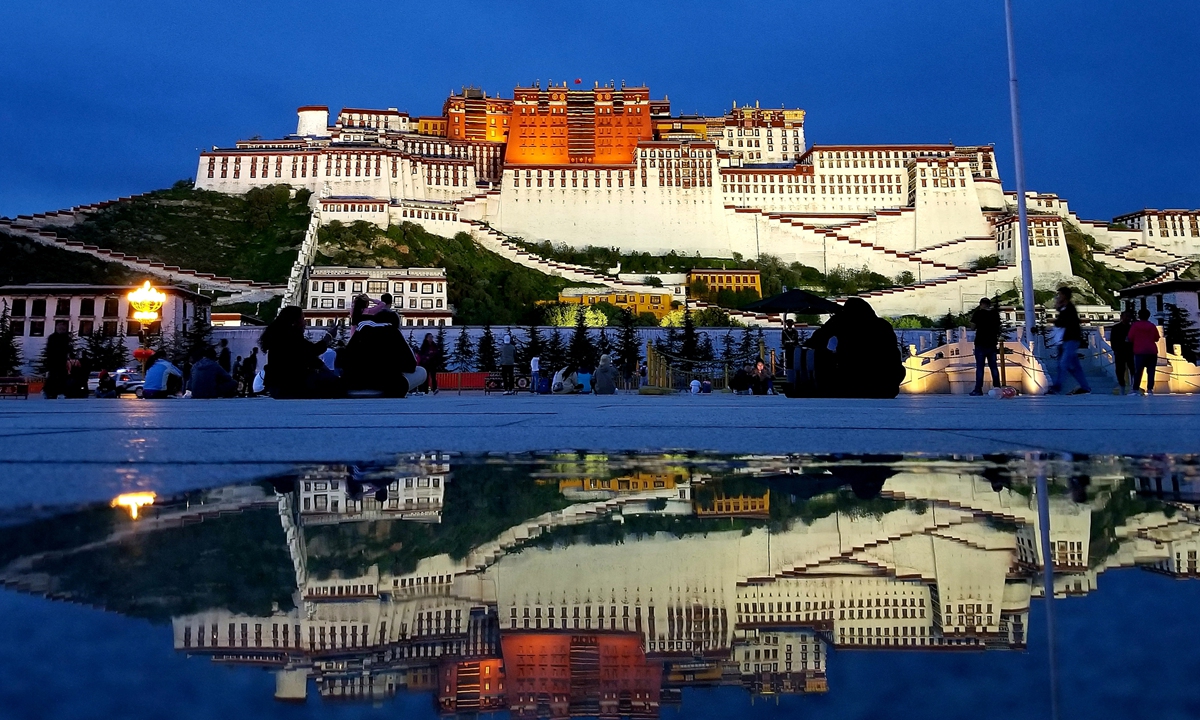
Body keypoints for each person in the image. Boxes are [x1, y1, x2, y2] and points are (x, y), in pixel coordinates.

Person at [806, 297, 905, 398]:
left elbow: (818, 338)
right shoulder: (883, 325)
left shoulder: (843, 321)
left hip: (853, 378)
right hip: (886, 383)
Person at [259, 306, 343, 399]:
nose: (305, 323)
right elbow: (313, 350)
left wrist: (326, 370)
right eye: (302, 319)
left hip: (277, 385)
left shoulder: (280, 337)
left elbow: (308, 357)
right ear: (294, 322)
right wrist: (329, 336)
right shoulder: (290, 338)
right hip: (288, 384)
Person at [337, 311, 425, 397]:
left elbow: (345, 359)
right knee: (421, 371)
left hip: (355, 381)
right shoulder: (393, 331)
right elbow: (411, 364)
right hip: (385, 383)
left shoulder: (361, 328)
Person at [1048, 287, 1090, 395]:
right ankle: (1085, 387)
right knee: (1074, 367)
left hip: (1071, 340)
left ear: (1064, 296)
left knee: (1063, 364)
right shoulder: (1066, 309)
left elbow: (1061, 323)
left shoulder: (1069, 309)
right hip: (1066, 340)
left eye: (1060, 295)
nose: (1058, 297)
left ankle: (1057, 386)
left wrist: (1058, 308)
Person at [969, 297, 1002, 396]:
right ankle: (997, 387)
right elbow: (998, 327)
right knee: (994, 367)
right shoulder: (995, 314)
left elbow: (972, 327)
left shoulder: (979, 313)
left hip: (980, 343)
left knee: (980, 368)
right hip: (992, 343)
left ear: (981, 304)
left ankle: (978, 389)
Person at [1127, 308, 1161, 395]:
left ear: (1139, 316)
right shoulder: (1152, 326)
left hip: (1139, 351)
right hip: (1152, 351)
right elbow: (1157, 338)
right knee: (1151, 371)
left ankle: (1135, 388)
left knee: (1138, 371)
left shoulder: (1135, 326)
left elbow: (1130, 338)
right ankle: (1150, 389)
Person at [42, 319, 74, 399]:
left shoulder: (66, 338)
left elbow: (68, 349)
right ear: (56, 327)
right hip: (54, 361)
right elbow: (50, 350)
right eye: (60, 327)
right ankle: (50, 392)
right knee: (53, 377)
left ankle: (59, 392)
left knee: (62, 377)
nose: (61, 329)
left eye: (63, 328)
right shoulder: (53, 338)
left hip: (62, 362)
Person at [1109, 309, 1135, 394]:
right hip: (1119, 351)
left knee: (1133, 369)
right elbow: (1113, 340)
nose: (1127, 318)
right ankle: (1122, 386)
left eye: (1128, 317)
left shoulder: (1132, 328)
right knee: (1120, 370)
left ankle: (1134, 386)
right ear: (1121, 317)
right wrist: (1115, 349)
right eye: (1125, 316)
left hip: (1130, 351)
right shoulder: (1116, 328)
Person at [781, 319, 800, 383]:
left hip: (794, 349)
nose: (789, 325)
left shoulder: (795, 331)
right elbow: (783, 340)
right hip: (788, 348)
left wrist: (793, 343)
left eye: (790, 324)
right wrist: (787, 343)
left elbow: (796, 340)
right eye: (788, 324)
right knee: (788, 361)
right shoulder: (784, 332)